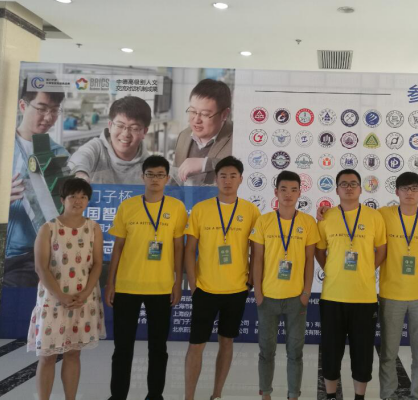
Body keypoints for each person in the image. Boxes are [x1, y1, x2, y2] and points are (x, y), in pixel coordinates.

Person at [104, 155, 187, 400]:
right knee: (122, 347)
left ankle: (155, 395)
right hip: (127, 286)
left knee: (158, 347)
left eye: (160, 175)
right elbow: (118, 247)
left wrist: (178, 282)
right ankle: (118, 396)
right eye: (150, 174)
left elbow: (179, 248)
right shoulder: (128, 206)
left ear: (167, 178)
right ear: (142, 177)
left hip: (161, 287)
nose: (155, 179)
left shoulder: (176, 208)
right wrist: (110, 283)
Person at [183, 156, 260, 400]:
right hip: (205, 289)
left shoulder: (250, 211)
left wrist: (251, 281)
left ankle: (216, 394)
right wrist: (193, 285)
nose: (228, 180)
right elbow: (189, 249)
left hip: (236, 290)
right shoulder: (201, 209)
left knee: (227, 342)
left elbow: (257, 250)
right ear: (215, 179)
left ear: (241, 179)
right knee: (196, 344)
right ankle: (188, 396)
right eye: (223, 176)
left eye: (233, 176)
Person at [27, 178, 106, 400]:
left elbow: (97, 264)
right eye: (73, 196)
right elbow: (41, 267)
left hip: (83, 299)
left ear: (88, 201)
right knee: (47, 356)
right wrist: (61, 296)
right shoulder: (48, 228)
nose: (78, 201)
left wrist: (85, 293)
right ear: (62, 200)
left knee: (73, 354)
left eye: (83, 197)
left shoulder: (93, 228)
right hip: (53, 300)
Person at [315, 169, 387, 400]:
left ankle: (359, 397)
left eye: (353, 183)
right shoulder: (326, 217)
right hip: (332, 296)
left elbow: (382, 250)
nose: (349, 187)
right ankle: (330, 396)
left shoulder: (374, 217)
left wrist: (366, 269)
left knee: (363, 352)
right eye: (344, 184)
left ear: (360, 189)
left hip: (364, 297)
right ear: (336, 189)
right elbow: (319, 250)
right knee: (331, 351)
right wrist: (331, 269)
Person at [250, 170, 320, 400]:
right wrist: (258, 292)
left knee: (295, 352)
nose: (288, 194)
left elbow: (310, 261)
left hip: (296, 298)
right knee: (266, 351)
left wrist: (306, 292)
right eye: (283, 189)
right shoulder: (264, 221)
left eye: (293, 190)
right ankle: (266, 393)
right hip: (267, 298)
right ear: (276, 192)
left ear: (300, 193)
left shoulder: (308, 222)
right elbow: (257, 259)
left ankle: (293, 395)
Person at [376, 172, 418, 400]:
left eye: (414, 188)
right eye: (404, 188)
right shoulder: (383, 214)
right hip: (391, 293)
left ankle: (417, 395)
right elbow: (354, 214)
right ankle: (388, 394)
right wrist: (326, 212)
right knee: (388, 352)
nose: (409, 192)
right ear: (397, 192)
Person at [5, 80, 67, 287]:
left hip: (30, 256)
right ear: (23, 106)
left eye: (55, 110)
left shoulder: (58, 154)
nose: (49, 117)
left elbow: (64, 211)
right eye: (42, 108)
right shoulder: (4, 146)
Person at [68, 96, 151, 184]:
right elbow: (81, 156)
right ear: (110, 126)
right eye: (120, 126)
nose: (126, 134)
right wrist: (80, 173)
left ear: (144, 132)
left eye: (134, 128)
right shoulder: (97, 149)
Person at [173, 79, 233, 185]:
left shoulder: (237, 138)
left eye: (205, 114)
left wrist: (206, 164)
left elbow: (247, 167)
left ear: (224, 114)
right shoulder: (184, 136)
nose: (196, 120)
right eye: (193, 111)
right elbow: (175, 180)